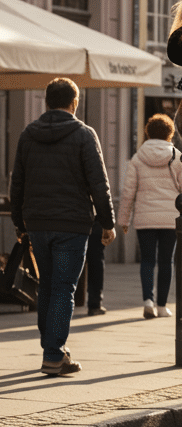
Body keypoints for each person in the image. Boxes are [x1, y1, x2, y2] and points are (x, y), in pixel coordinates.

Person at [8, 77, 116, 376]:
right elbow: (99, 182)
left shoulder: (29, 134)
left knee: (48, 286)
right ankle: (54, 354)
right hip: (72, 224)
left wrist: (20, 223)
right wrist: (107, 223)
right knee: (63, 289)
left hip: (38, 224)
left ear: (47, 101)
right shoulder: (83, 134)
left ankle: (52, 347)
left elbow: (17, 182)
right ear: (74, 103)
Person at [117, 114, 182, 318]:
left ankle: (147, 301)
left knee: (147, 261)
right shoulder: (177, 156)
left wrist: (123, 220)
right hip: (171, 219)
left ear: (147, 133)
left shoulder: (137, 158)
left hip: (145, 219)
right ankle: (162, 306)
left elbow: (128, 192)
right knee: (166, 261)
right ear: (170, 133)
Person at [84, 218, 107, 316]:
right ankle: (95, 304)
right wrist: (109, 224)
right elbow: (104, 203)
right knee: (96, 260)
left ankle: (61, 302)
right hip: (94, 220)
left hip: (70, 221)